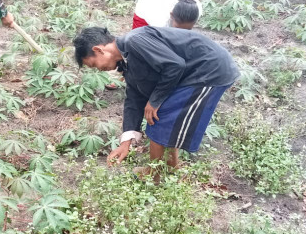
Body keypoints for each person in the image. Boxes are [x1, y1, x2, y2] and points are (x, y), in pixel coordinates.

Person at [73, 25, 239, 175]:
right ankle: (170, 170)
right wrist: (126, 142)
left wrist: (154, 101)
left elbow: (174, 65)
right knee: (162, 117)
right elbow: (134, 97)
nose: (99, 69)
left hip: (209, 70)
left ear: (99, 50)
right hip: (192, 73)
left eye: (94, 64)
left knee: (160, 116)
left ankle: (156, 174)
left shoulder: (135, 42)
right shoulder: (126, 60)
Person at [133, 0, 202, 30]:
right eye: (177, 28)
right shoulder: (159, 21)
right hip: (146, 7)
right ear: (171, 15)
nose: (182, 32)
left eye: (187, 29)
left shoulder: (196, 8)